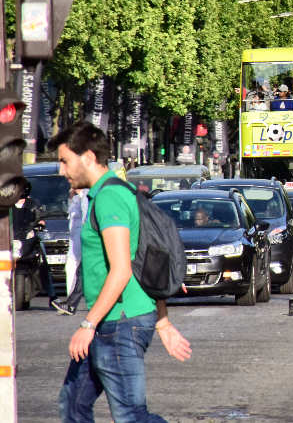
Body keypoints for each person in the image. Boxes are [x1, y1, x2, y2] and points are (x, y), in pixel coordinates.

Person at [53, 121, 191, 423]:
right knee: (73, 404)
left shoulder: (109, 198)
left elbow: (123, 270)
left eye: (65, 161)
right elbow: (147, 256)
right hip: (113, 321)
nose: (61, 171)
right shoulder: (119, 190)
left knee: (130, 415)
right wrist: (163, 323)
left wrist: (87, 325)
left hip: (118, 324)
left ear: (88, 157)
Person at [51, 187, 90, 316]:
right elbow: (71, 215)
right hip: (75, 240)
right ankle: (70, 303)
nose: (70, 187)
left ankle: (70, 304)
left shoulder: (86, 196)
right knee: (74, 269)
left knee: (82, 272)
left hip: (85, 239)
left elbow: (86, 218)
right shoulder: (76, 198)